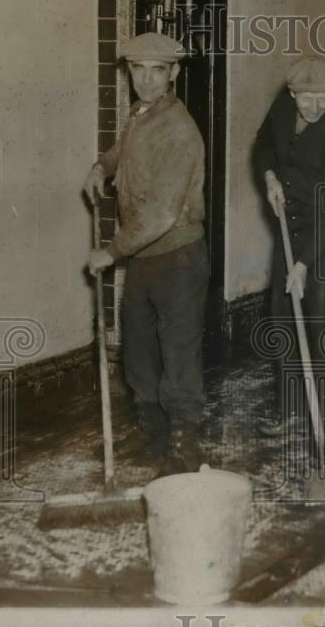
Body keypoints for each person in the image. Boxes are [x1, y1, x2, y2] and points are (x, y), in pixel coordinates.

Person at [83, 32, 208, 476]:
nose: (148, 81)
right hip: (144, 259)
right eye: (139, 70)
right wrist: (104, 165)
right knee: (138, 350)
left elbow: (160, 214)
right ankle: (152, 432)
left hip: (177, 258)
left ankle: (184, 446)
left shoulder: (180, 131)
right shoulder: (141, 113)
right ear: (130, 72)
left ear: (174, 73)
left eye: (158, 71)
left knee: (178, 352)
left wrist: (111, 251)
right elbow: (127, 149)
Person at [253, 56, 325, 448]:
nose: (315, 106)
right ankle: (290, 409)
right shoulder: (281, 110)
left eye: (323, 98)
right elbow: (264, 146)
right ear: (292, 94)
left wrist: (302, 264)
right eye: (306, 98)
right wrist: (269, 177)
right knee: (283, 320)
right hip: (290, 228)